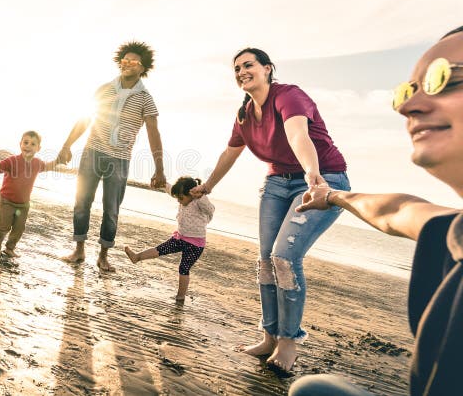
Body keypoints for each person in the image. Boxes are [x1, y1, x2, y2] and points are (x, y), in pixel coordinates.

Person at [289, 26, 463, 396]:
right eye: (408, 90)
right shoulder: (456, 230)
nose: (407, 106)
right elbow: (397, 209)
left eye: (442, 78)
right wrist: (333, 196)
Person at [191, 48, 350, 371]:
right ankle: (269, 337)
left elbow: (297, 134)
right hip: (277, 183)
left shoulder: (288, 96)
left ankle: (289, 342)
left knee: (284, 258)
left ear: (267, 69)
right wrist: (207, 186)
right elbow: (230, 153)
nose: (241, 71)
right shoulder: (245, 114)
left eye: (248, 65)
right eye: (236, 68)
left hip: (323, 178)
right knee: (265, 262)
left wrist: (312, 175)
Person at [58, 41, 166, 272]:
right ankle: (79, 250)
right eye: (124, 60)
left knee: (112, 209)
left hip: (119, 159)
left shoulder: (145, 98)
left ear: (142, 67)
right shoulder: (105, 89)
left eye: (133, 61)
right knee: (81, 202)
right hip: (92, 153)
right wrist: (67, 145)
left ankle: (103, 256)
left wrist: (159, 168)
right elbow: (85, 118)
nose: (127, 64)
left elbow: (153, 131)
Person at [124, 176, 214, 301]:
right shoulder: (182, 196)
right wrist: (161, 183)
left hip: (195, 244)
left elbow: (211, 209)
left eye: (181, 198)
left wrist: (202, 196)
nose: (178, 201)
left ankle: (181, 296)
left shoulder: (198, 201)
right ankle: (136, 257)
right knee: (160, 249)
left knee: (184, 268)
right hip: (180, 238)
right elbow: (170, 189)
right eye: (177, 197)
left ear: (192, 194)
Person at [0, 130, 61, 257]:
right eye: (26, 142)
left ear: (38, 148)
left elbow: (48, 166)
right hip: (7, 200)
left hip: (24, 204)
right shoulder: (12, 161)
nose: (28, 146)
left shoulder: (37, 163)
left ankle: (10, 248)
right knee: (3, 225)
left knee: (19, 229)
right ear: (20, 144)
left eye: (33, 144)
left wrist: (58, 160)